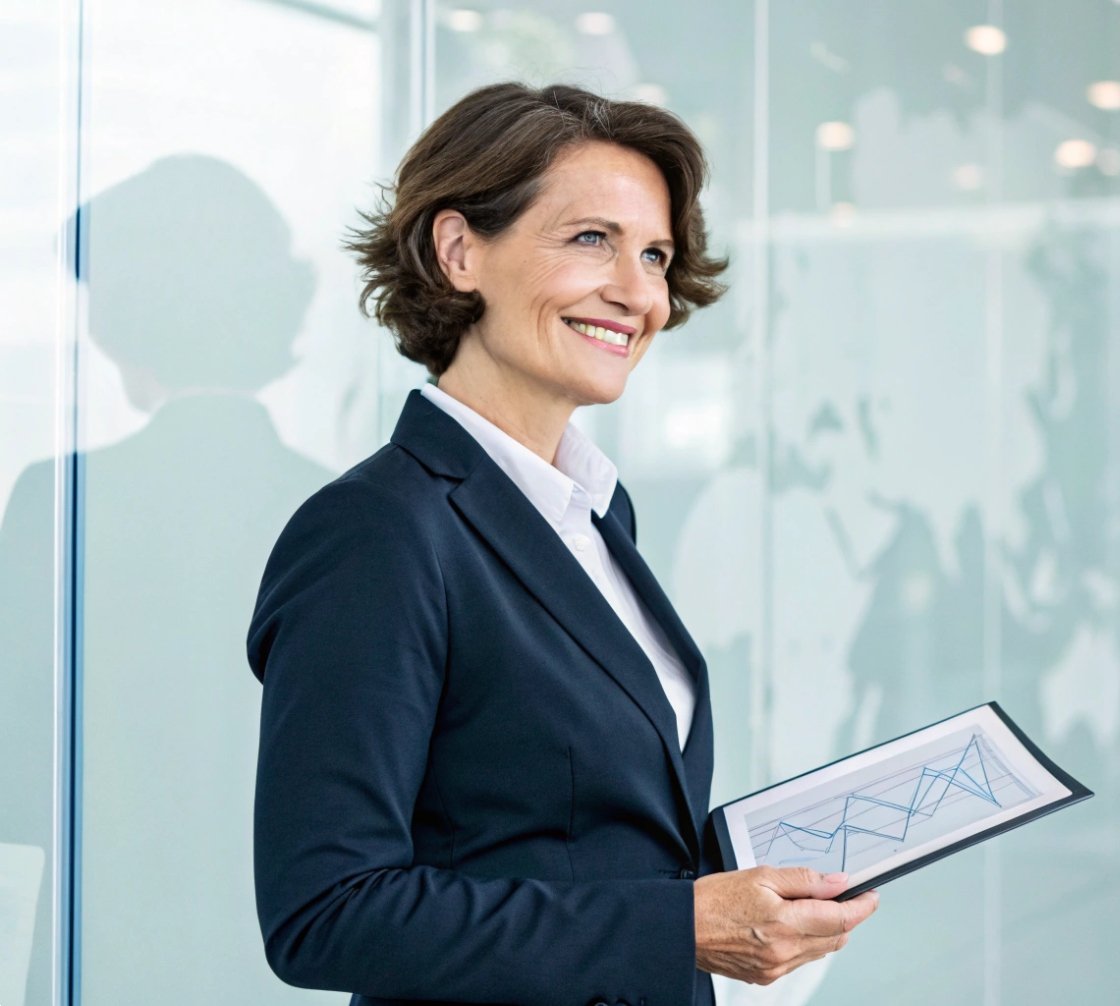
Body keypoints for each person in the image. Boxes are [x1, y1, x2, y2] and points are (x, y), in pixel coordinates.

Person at [246, 81, 878, 1006]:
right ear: (459, 251)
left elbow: (570, 834)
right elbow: (326, 912)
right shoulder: (377, 532)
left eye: (655, 255)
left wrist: (760, 888)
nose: (638, 293)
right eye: (592, 240)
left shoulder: (590, 516)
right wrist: (682, 925)